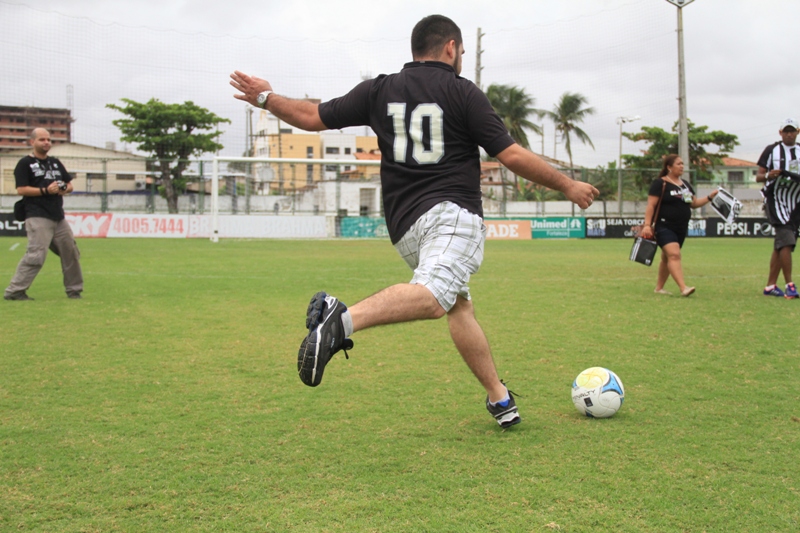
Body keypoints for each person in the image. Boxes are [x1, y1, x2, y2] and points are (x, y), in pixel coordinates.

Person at [230, 15, 598, 428]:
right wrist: (567, 185)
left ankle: (499, 398)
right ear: (451, 47)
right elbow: (509, 154)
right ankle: (341, 320)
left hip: (404, 228)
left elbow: (311, 116)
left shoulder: (378, 90)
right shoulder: (463, 92)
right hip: (452, 215)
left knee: (459, 304)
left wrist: (266, 98)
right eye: (460, 50)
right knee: (436, 298)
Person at [4, 128, 83, 301]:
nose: (46, 142)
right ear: (32, 142)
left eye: (48, 139)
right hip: (37, 215)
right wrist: (46, 190)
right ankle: (15, 291)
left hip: (58, 217)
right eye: (42, 139)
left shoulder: (55, 162)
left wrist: (63, 188)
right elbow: (21, 189)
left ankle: (74, 290)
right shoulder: (25, 163)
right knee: (36, 255)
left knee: (71, 252)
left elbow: (69, 185)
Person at [641, 154, 717, 297]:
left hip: (681, 227)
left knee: (667, 257)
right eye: (678, 164)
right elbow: (651, 205)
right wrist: (647, 225)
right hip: (664, 226)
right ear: (669, 167)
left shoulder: (685, 185)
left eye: (682, 163)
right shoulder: (660, 183)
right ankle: (683, 288)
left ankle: (659, 288)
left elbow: (693, 203)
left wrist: (709, 197)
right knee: (674, 255)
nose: (682, 166)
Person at [756, 118, 800, 299]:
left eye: (792, 131)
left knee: (781, 245)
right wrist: (768, 175)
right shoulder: (771, 150)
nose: (789, 134)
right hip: (776, 200)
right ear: (780, 133)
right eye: (786, 131)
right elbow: (758, 177)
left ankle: (770, 286)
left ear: (798, 131)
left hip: (795, 203)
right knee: (787, 241)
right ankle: (790, 285)